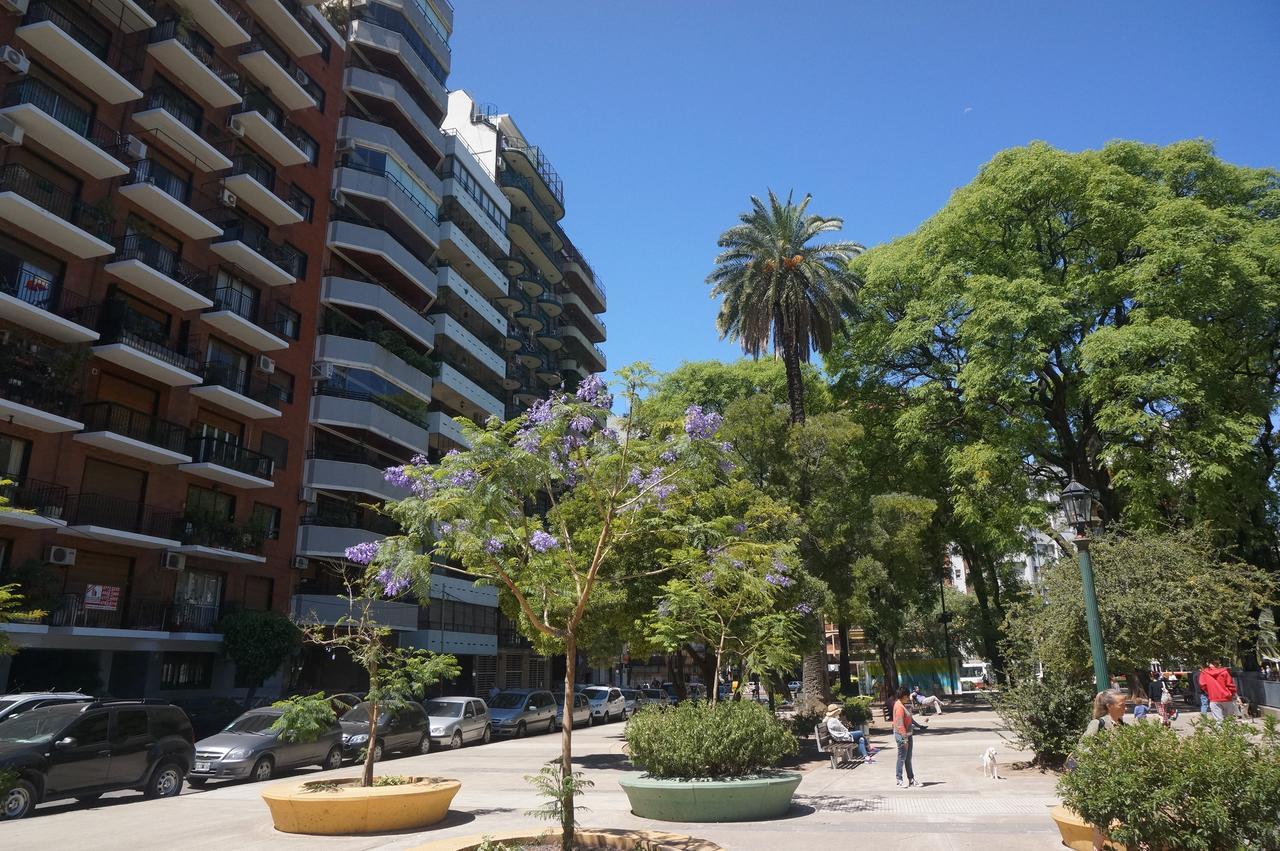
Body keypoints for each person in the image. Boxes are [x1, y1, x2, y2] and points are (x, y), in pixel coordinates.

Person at [892, 686, 920, 788]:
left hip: (908, 734)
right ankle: (899, 779)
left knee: (908, 758)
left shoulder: (904, 704)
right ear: (903, 696)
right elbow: (899, 724)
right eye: (907, 696)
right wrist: (904, 739)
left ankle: (911, 779)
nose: (908, 697)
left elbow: (909, 717)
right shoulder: (899, 706)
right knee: (902, 757)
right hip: (902, 736)